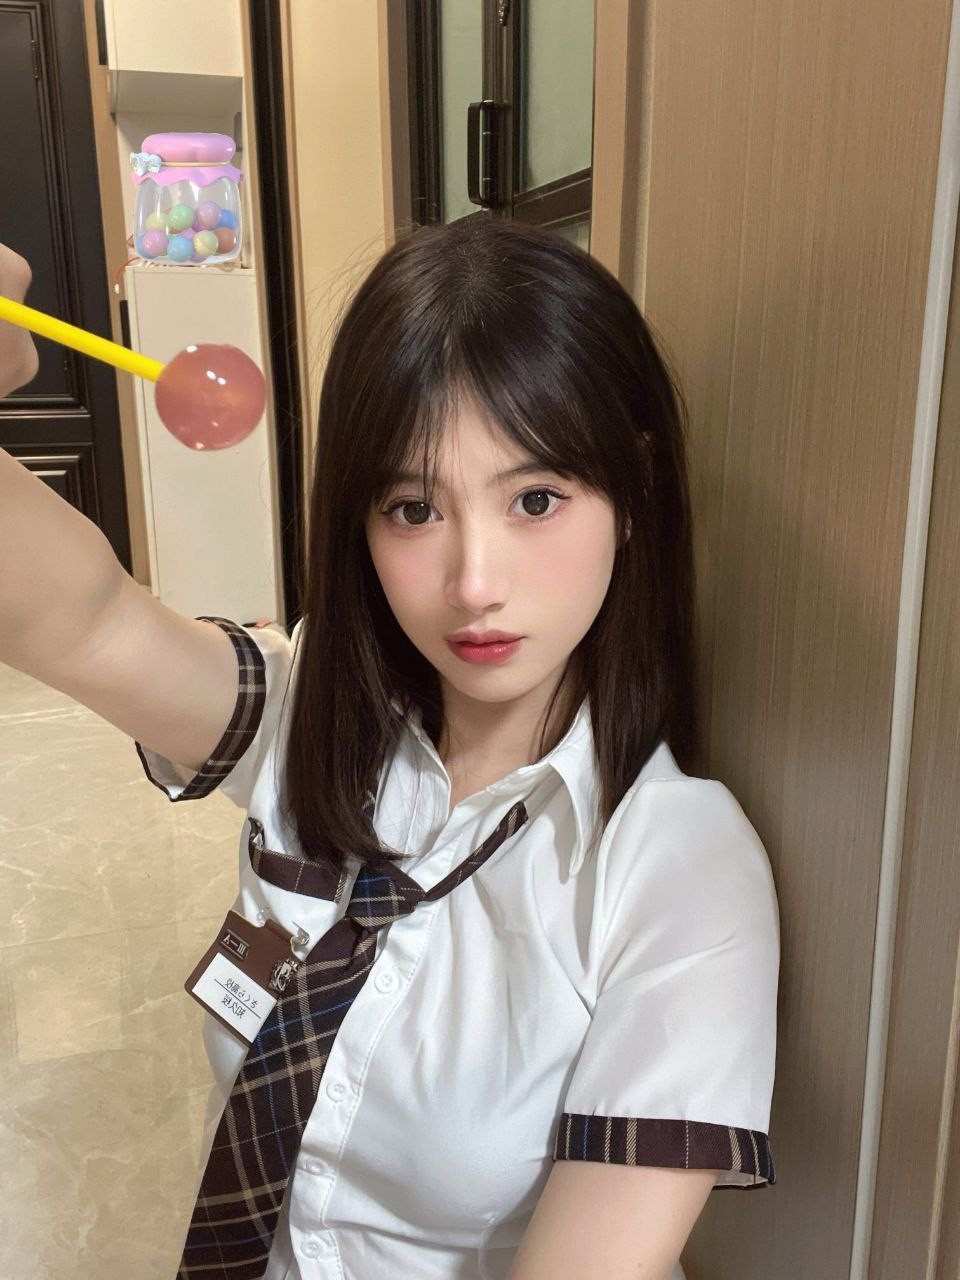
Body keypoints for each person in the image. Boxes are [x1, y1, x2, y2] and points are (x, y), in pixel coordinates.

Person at [0, 220, 780, 1280]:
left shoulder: (679, 871)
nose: (474, 582)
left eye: (536, 499)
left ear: (632, 494)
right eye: (414, 508)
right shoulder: (312, 715)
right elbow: (84, 621)